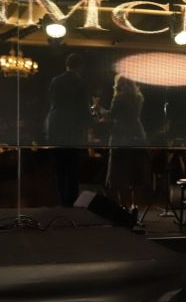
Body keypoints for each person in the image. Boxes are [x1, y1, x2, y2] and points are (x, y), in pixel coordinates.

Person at [95, 74, 149, 209]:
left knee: (118, 172)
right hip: (137, 135)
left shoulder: (119, 98)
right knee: (134, 172)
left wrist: (98, 108)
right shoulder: (138, 97)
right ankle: (134, 206)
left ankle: (122, 206)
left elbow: (112, 115)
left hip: (121, 136)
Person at [45, 53, 91, 207]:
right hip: (73, 128)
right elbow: (84, 108)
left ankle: (61, 201)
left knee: (59, 168)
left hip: (56, 126)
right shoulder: (80, 83)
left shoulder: (55, 81)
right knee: (72, 168)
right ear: (80, 67)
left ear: (67, 65)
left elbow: (52, 104)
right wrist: (90, 124)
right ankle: (70, 203)